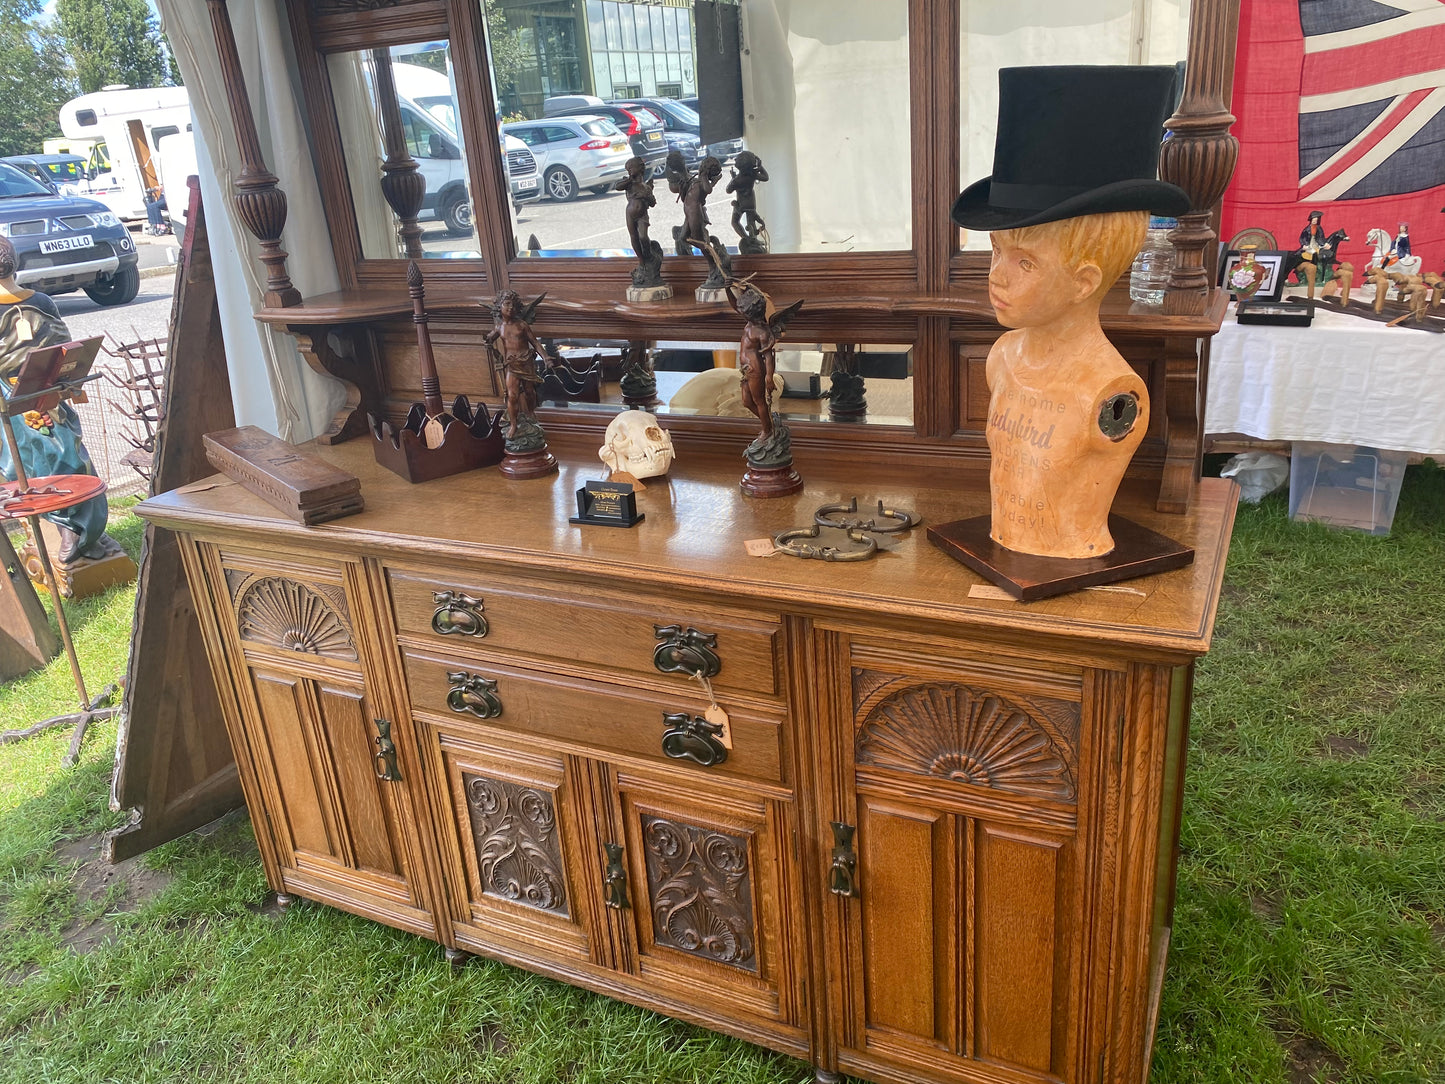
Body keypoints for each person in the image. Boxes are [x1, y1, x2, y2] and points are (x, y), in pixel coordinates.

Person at [952, 65, 1190, 559]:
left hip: (1069, 551)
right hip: (1003, 540)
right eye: (995, 251)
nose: (996, 276)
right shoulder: (1003, 357)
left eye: (1025, 262)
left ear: (1084, 282)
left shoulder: (1111, 391)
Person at [0, 237, 120, 564]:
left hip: (13, 401)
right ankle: (76, 529)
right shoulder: (40, 301)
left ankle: (67, 530)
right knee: (67, 458)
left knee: (26, 466)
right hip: (49, 393)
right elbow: (64, 346)